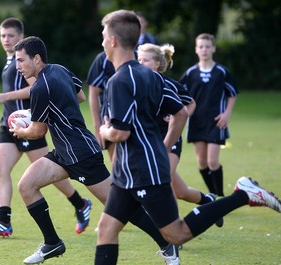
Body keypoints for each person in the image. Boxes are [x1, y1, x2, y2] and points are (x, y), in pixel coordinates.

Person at [95, 10, 281, 265]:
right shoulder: (151, 75)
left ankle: (244, 195)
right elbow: (181, 113)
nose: (102, 41)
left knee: (176, 233)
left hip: (142, 171)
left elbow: (120, 132)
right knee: (106, 229)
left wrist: (105, 132)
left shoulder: (119, 80)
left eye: (104, 35)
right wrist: (164, 147)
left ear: (114, 40)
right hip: (127, 172)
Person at [11, 36, 180, 264]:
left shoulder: (41, 87)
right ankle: (52, 243)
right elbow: (79, 95)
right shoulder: (59, 69)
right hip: (64, 153)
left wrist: (21, 131)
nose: (17, 66)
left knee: (123, 208)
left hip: (82, 155)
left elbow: (37, 131)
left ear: (37, 58)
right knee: (26, 186)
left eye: (21, 60)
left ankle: (168, 244)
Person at [0, 18, 92, 237]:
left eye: (11, 35)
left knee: (50, 175)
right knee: (0, 170)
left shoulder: (25, 62)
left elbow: (36, 89)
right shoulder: (10, 61)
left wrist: (5, 96)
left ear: (21, 37)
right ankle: (4, 221)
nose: (6, 40)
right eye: (2, 35)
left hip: (30, 123)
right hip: (8, 124)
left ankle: (80, 203)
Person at [137, 42, 223, 227]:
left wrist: (178, 116)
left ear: (158, 64)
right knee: (181, 191)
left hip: (170, 137)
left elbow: (190, 103)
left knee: (163, 181)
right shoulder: (136, 83)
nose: (141, 63)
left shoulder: (168, 84)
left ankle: (173, 230)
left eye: (146, 60)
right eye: (139, 59)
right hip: (150, 141)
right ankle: (208, 201)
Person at [179, 33, 238, 196]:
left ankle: (220, 196)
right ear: (196, 50)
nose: (204, 49)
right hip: (196, 122)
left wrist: (227, 113)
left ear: (213, 48)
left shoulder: (222, 72)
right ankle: (213, 194)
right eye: (201, 46)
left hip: (216, 122)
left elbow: (232, 94)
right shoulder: (190, 73)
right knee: (202, 162)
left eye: (207, 46)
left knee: (212, 161)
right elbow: (179, 95)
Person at [87, 51, 116, 162]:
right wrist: (98, 128)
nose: (103, 43)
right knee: (119, 168)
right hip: (110, 120)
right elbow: (93, 94)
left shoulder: (139, 55)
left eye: (105, 37)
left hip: (137, 122)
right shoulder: (103, 59)